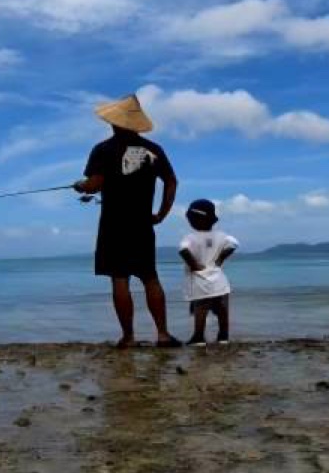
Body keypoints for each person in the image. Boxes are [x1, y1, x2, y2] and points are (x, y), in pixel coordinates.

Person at [73, 94, 181, 348]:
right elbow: (171, 181)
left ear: (114, 122)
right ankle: (163, 335)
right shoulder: (154, 150)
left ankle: (129, 337)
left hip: (113, 225)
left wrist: (81, 186)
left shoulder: (102, 150)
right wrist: (162, 214)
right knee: (150, 278)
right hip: (142, 224)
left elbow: (94, 185)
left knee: (119, 280)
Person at [178, 198, 238, 346]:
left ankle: (198, 337)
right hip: (219, 280)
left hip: (200, 280)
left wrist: (193, 265)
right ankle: (223, 337)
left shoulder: (190, 237)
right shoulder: (222, 236)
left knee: (200, 310)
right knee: (223, 310)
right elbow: (234, 243)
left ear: (192, 220)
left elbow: (183, 250)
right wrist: (222, 258)